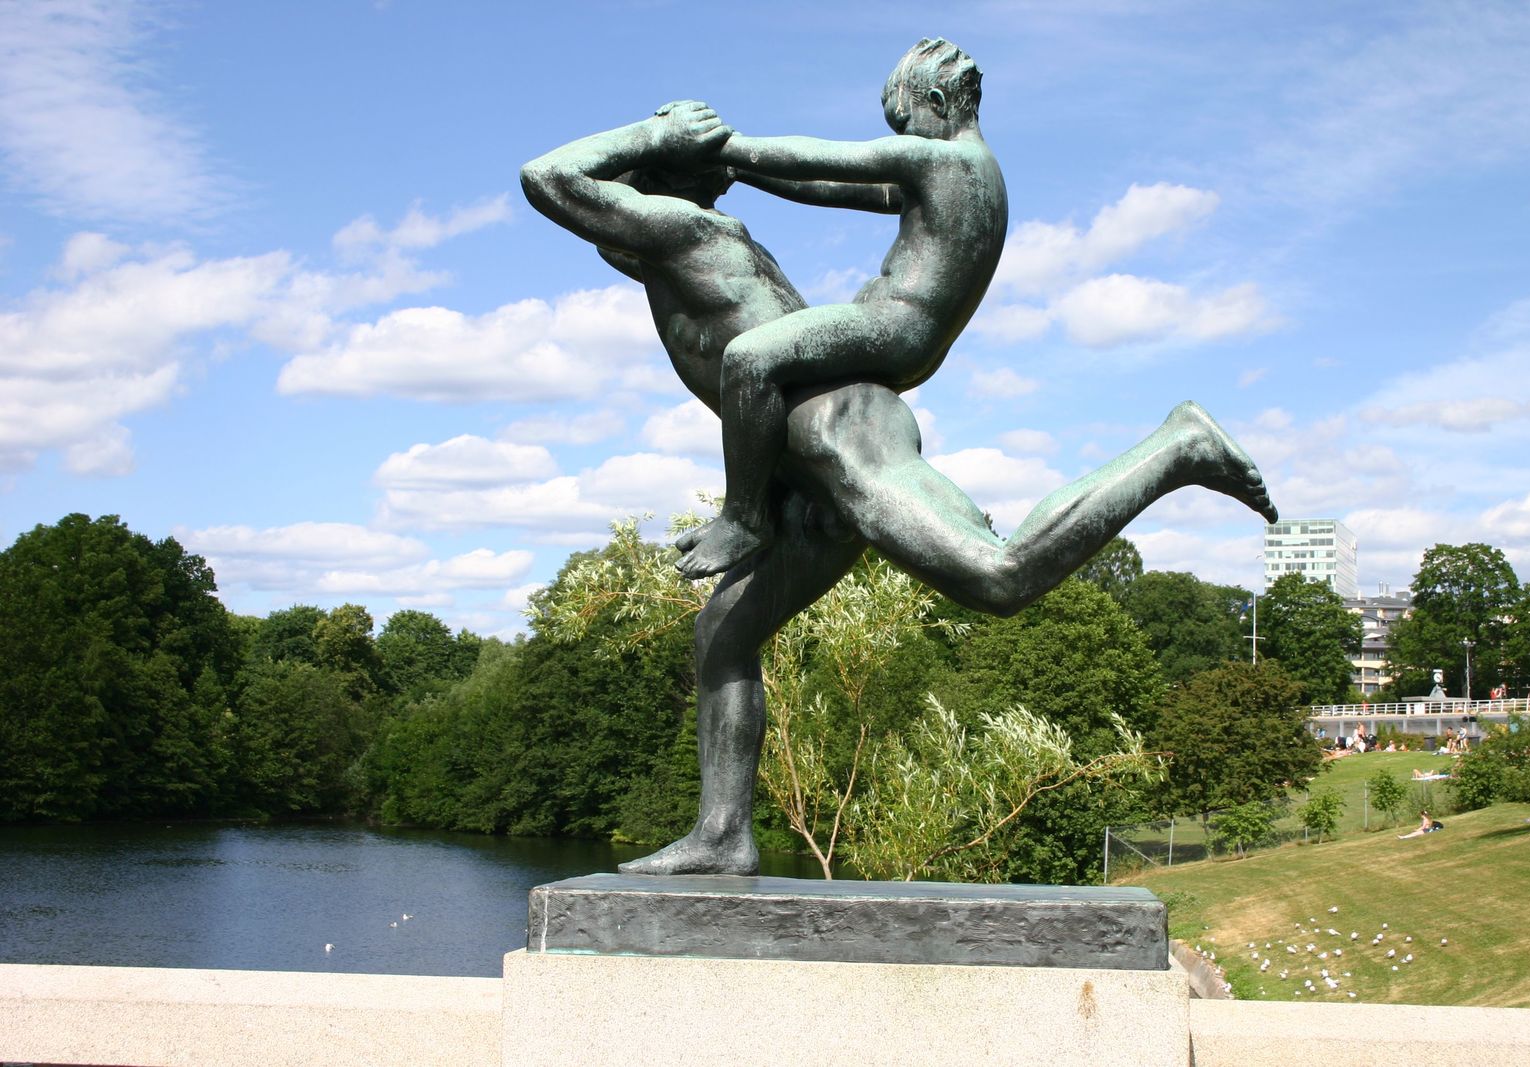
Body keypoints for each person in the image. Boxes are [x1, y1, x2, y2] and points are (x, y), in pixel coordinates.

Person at [520, 98, 1276, 875]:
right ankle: (723, 833)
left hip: (841, 436)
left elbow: (547, 177)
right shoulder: (669, 248)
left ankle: (1177, 448)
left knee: (998, 575)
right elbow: (583, 201)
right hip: (803, 473)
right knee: (723, 636)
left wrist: (655, 136)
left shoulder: (686, 230)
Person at [672, 38, 1009, 578]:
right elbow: (825, 186)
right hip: (913, 342)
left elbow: (826, 157)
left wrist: (721, 145)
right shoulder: (973, 173)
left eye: (906, 122)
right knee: (780, 382)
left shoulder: (941, 157)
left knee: (749, 358)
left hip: (893, 327)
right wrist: (740, 173)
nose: (903, 137)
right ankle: (792, 492)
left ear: (940, 104)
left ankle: (743, 518)